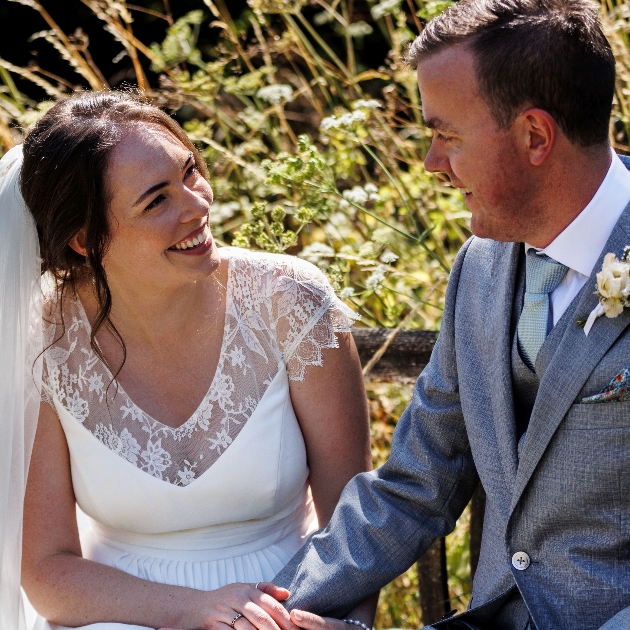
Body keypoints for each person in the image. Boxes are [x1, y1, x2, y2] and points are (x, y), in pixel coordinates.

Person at [270, 0, 630, 629]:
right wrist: (269, 612)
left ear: (535, 137)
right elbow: (414, 484)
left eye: (446, 135)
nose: (431, 163)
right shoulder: (481, 270)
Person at [0, 92, 375, 630]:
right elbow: (47, 572)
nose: (198, 205)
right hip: (119, 616)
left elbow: (352, 524)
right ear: (84, 239)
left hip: (288, 607)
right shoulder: (41, 338)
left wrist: (343, 625)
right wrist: (197, 611)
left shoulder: (290, 301)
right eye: (156, 200)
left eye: (190, 172)